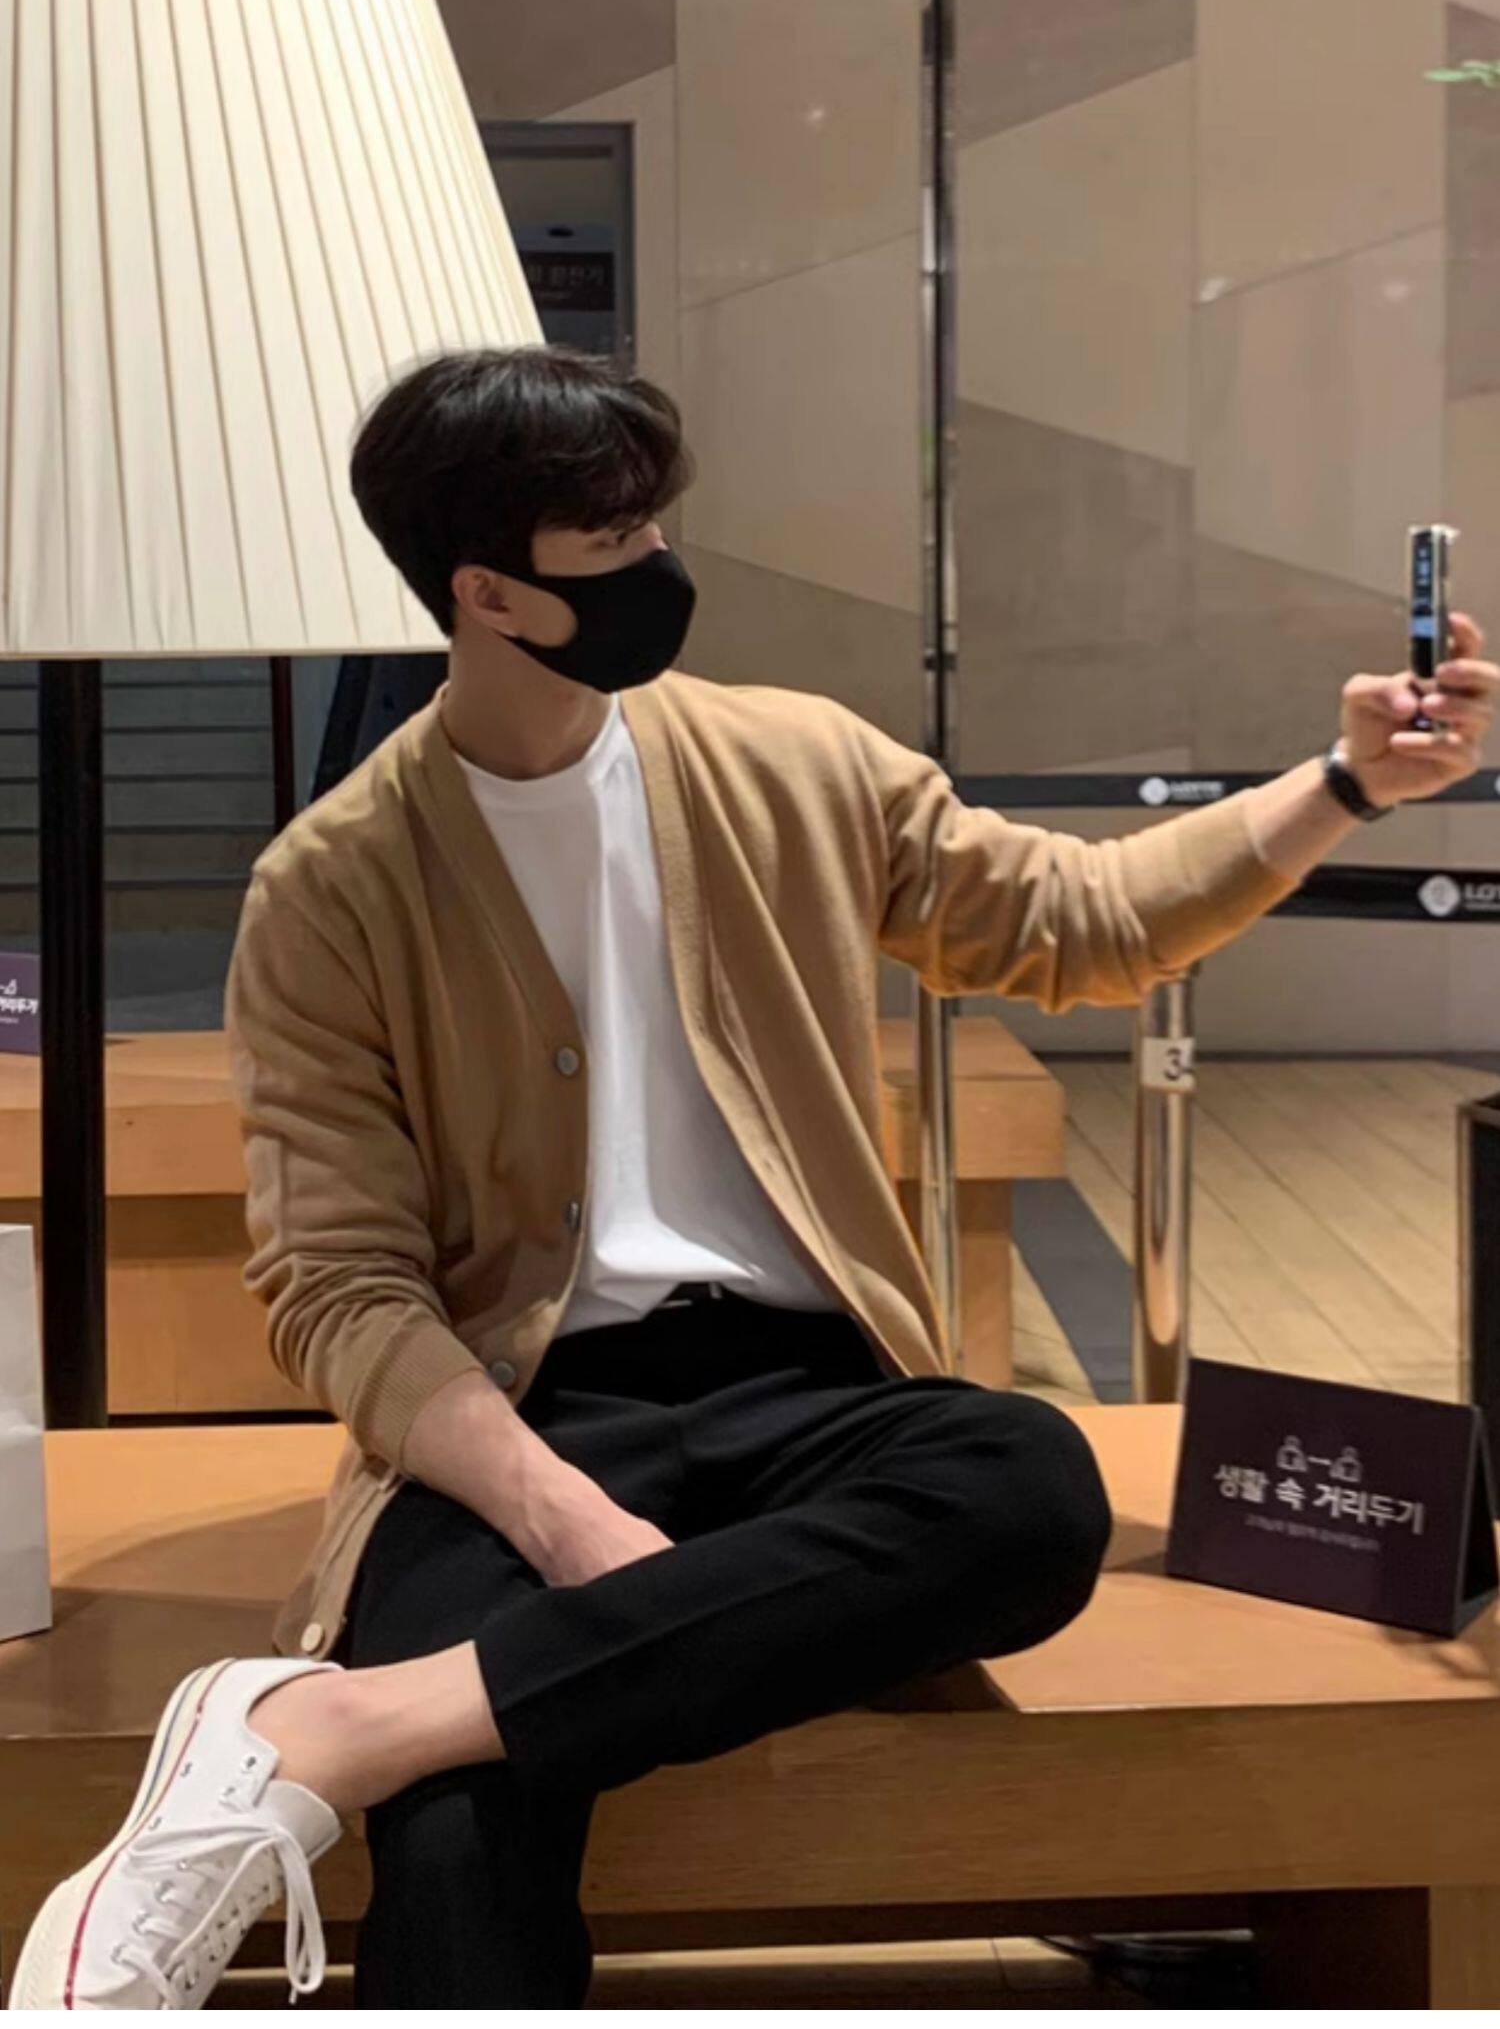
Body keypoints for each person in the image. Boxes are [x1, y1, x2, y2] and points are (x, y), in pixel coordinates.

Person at [13, 347, 1496, 2012]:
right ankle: (410, 1729)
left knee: (1026, 1486)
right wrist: (566, 1517)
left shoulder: (792, 761)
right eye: (613, 546)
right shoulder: (332, 883)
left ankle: (334, 1725)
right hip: (518, 1415)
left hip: (815, 1386)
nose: (661, 567)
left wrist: (1347, 782)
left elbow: (1078, 922)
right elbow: (338, 1286)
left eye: (658, 526)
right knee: (463, 1814)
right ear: (485, 591)